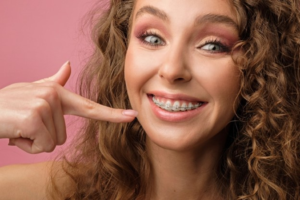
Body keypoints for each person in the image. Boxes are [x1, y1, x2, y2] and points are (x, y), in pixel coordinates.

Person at [0, 0, 299, 199]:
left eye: (212, 45)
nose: (171, 70)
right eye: (153, 38)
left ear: (261, 66)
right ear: (124, 52)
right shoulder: (48, 192)